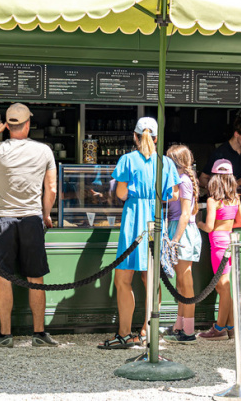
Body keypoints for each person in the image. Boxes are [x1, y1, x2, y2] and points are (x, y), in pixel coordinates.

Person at [0, 103, 59, 348]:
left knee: (3, 278)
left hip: (3, 219)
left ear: (7, 126)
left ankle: (5, 335)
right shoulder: (45, 151)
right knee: (35, 278)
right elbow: (51, 189)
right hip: (31, 219)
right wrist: (46, 214)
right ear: (28, 124)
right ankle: (39, 334)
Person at [98, 117, 180, 350]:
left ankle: (124, 334)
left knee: (123, 279)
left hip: (133, 219)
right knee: (151, 279)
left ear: (135, 137)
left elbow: (121, 194)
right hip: (155, 220)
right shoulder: (166, 163)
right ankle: (147, 331)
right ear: (156, 139)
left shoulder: (127, 160)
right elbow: (172, 195)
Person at [196, 159, 241, 340]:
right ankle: (232, 327)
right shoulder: (235, 199)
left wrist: (197, 222)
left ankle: (219, 328)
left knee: (222, 287)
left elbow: (208, 227)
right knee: (224, 286)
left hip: (217, 244)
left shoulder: (212, 201)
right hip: (229, 241)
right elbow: (240, 222)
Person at [163, 144, 202, 344]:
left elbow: (186, 214)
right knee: (180, 283)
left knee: (186, 284)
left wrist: (175, 240)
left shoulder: (184, 181)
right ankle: (180, 325)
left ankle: (188, 329)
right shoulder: (180, 180)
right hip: (177, 230)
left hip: (183, 233)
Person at [199, 116, 241, 189]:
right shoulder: (219, 153)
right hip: (225, 199)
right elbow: (202, 178)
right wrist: (217, 190)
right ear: (236, 134)